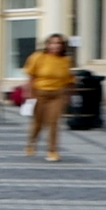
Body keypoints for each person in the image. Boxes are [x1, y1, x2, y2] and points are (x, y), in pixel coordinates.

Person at [23, 33, 73, 162]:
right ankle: (31, 143)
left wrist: (68, 95)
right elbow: (31, 76)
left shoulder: (65, 61)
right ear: (47, 45)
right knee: (38, 123)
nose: (55, 46)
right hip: (40, 93)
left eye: (59, 43)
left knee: (53, 123)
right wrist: (29, 93)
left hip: (57, 94)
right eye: (53, 43)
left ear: (62, 46)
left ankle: (52, 150)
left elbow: (69, 80)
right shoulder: (38, 57)